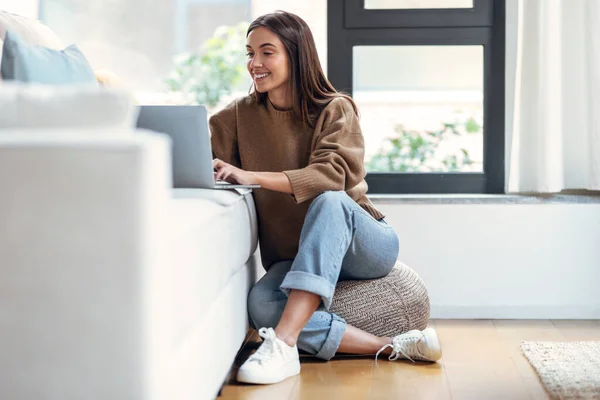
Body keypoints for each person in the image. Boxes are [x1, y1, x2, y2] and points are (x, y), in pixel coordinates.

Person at [210, 10, 442, 385]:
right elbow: (208, 164)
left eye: (267, 52)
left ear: (296, 55)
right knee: (261, 304)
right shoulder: (234, 118)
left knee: (330, 200)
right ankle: (391, 346)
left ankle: (284, 344)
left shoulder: (335, 108)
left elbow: (332, 176)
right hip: (295, 256)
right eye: (249, 53)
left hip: (364, 244)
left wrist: (252, 175)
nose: (254, 63)